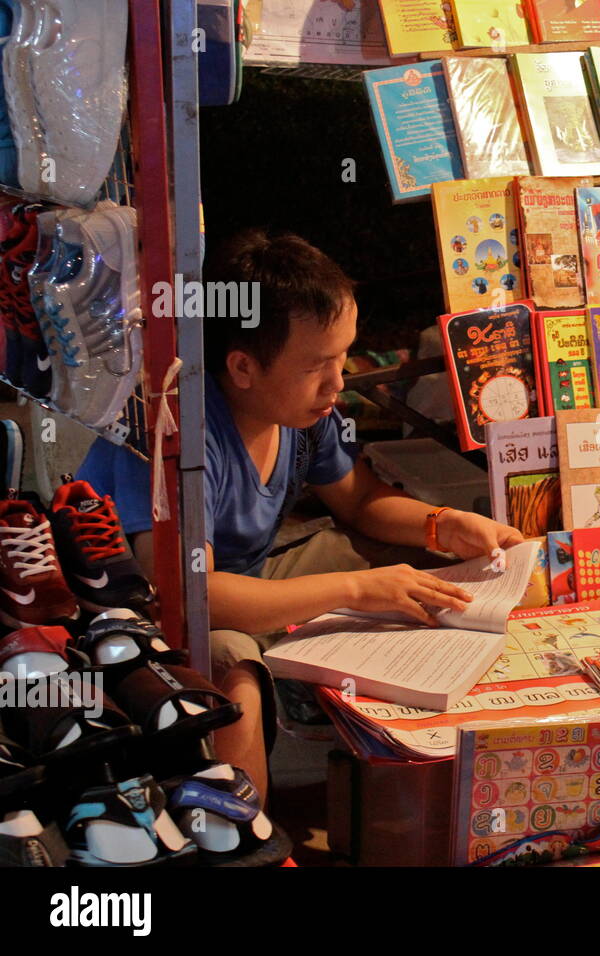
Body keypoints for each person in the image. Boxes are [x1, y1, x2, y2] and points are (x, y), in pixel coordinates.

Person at [77, 230, 523, 801]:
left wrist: (442, 523)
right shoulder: (180, 434)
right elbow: (192, 594)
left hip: (249, 575)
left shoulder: (304, 414)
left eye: (343, 356)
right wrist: (356, 590)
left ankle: (435, 763)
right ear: (243, 367)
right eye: (318, 365)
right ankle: (246, 831)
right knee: (233, 673)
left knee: (424, 571)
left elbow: (360, 501)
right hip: (140, 614)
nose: (339, 382)